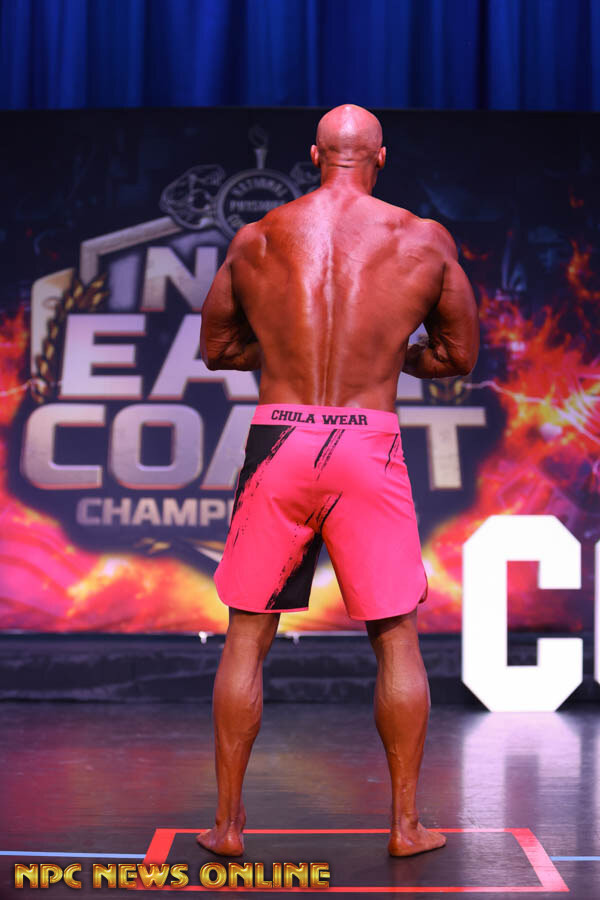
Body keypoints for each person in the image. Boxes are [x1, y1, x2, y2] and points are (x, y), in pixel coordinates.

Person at [197, 104, 479, 859]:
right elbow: (457, 357)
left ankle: (227, 826)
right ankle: (406, 825)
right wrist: (390, 358)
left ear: (313, 155)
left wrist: (282, 345)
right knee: (395, 636)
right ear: (380, 157)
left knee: (247, 635)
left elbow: (217, 349)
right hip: (367, 444)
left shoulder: (258, 238)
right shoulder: (422, 239)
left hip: (280, 441)